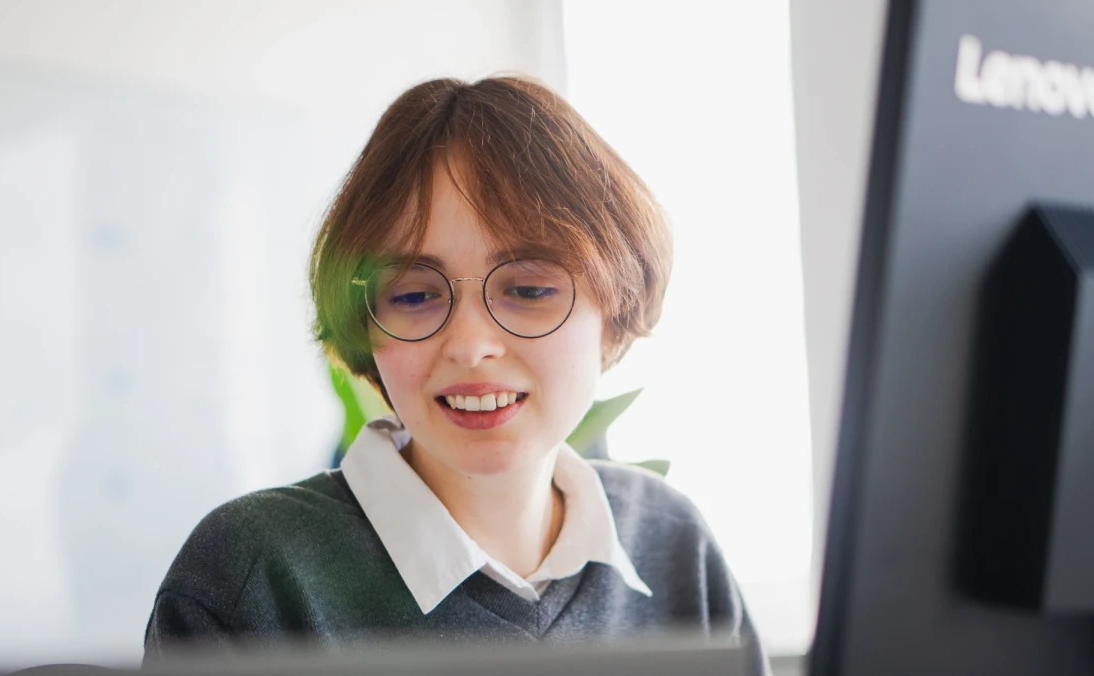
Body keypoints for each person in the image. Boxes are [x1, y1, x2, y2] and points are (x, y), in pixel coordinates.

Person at [143, 76, 767, 673]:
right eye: (414, 296)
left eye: (527, 288)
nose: (470, 346)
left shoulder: (672, 542)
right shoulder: (252, 572)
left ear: (614, 311)